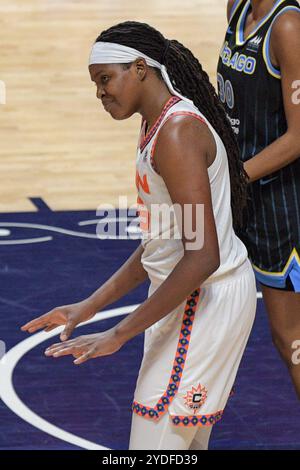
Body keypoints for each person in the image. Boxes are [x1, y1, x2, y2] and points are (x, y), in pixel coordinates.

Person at [21, 21, 257, 450]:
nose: (100, 93)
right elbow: (161, 242)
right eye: (96, 83)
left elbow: (203, 256)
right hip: (189, 297)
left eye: (106, 79)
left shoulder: (177, 132)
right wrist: (89, 307)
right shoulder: (155, 124)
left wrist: (118, 333)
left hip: (204, 298)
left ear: (141, 68)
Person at [217, 0, 300, 397]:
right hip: (248, 197)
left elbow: (299, 137)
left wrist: (234, 177)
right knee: (285, 342)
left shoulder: (287, 26)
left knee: (292, 342)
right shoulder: (237, 7)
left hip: (287, 204)